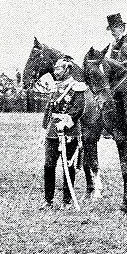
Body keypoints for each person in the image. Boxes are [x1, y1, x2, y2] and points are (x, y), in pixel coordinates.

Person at [41, 56, 86, 209]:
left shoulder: (76, 86)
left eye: (58, 69)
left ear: (67, 69)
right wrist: (43, 129)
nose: (55, 72)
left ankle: (66, 201)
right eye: (55, 69)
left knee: (68, 166)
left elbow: (79, 108)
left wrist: (66, 122)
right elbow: (48, 109)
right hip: (52, 132)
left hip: (70, 132)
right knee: (48, 165)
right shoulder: (54, 86)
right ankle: (48, 200)